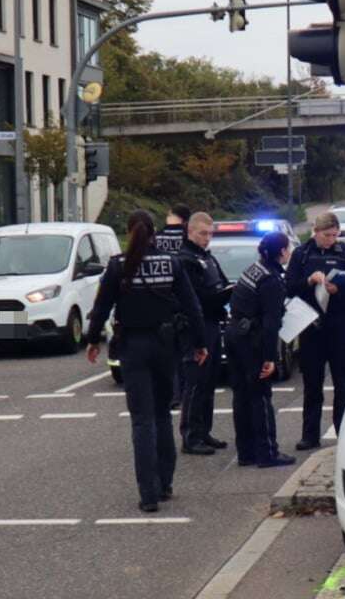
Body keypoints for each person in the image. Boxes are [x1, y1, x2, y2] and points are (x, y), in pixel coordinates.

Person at [86, 210, 207, 513]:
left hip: (132, 347)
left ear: (130, 232)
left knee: (142, 420)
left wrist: (91, 341)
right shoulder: (172, 263)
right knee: (163, 415)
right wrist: (200, 343)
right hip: (166, 346)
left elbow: (101, 307)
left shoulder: (118, 266)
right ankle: (165, 483)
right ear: (154, 233)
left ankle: (148, 495)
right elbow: (192, 306)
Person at [286, 212, 345, 450]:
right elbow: (289, 286)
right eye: (327, 235)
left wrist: (336, 288)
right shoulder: (302, 254)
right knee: (312, 383)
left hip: (339, 323)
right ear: (316, 232)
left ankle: (344, 432)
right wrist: (309, 281)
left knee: (343, 382)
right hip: (311, 326)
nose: (331, 240)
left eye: (334, 235)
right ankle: (309, 434)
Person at [227, 232, 296, 468]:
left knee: (241, 397)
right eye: (287, 248)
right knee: (260, 397)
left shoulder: (254, 269)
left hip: (234, 335)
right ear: (281, 252)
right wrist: (270, 358)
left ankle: (245, 452)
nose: (289, 252)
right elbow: (271, 323)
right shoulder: (271, 280)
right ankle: (267, 453)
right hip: (252, 342)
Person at [176, 212, 232, 455]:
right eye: (202, 233)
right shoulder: (185, 259)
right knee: (196, 382)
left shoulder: (206, 257)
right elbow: (195, 297)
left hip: (211, 322)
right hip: (193, 327)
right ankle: (190, 435)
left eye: (210, 234)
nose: (207, 238)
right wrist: (220, 295)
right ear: (190, 231)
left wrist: (227, 292)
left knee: (209, 381)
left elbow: (220, 282)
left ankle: (204, 431)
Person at [156, 204, 191, 407]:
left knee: (167, 353)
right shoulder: (187, 237)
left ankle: (170, 394)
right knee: (184, 352)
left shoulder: (158, 237)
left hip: (162, 300)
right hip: (183, 299)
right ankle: (183, 393)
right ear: (185, 221)